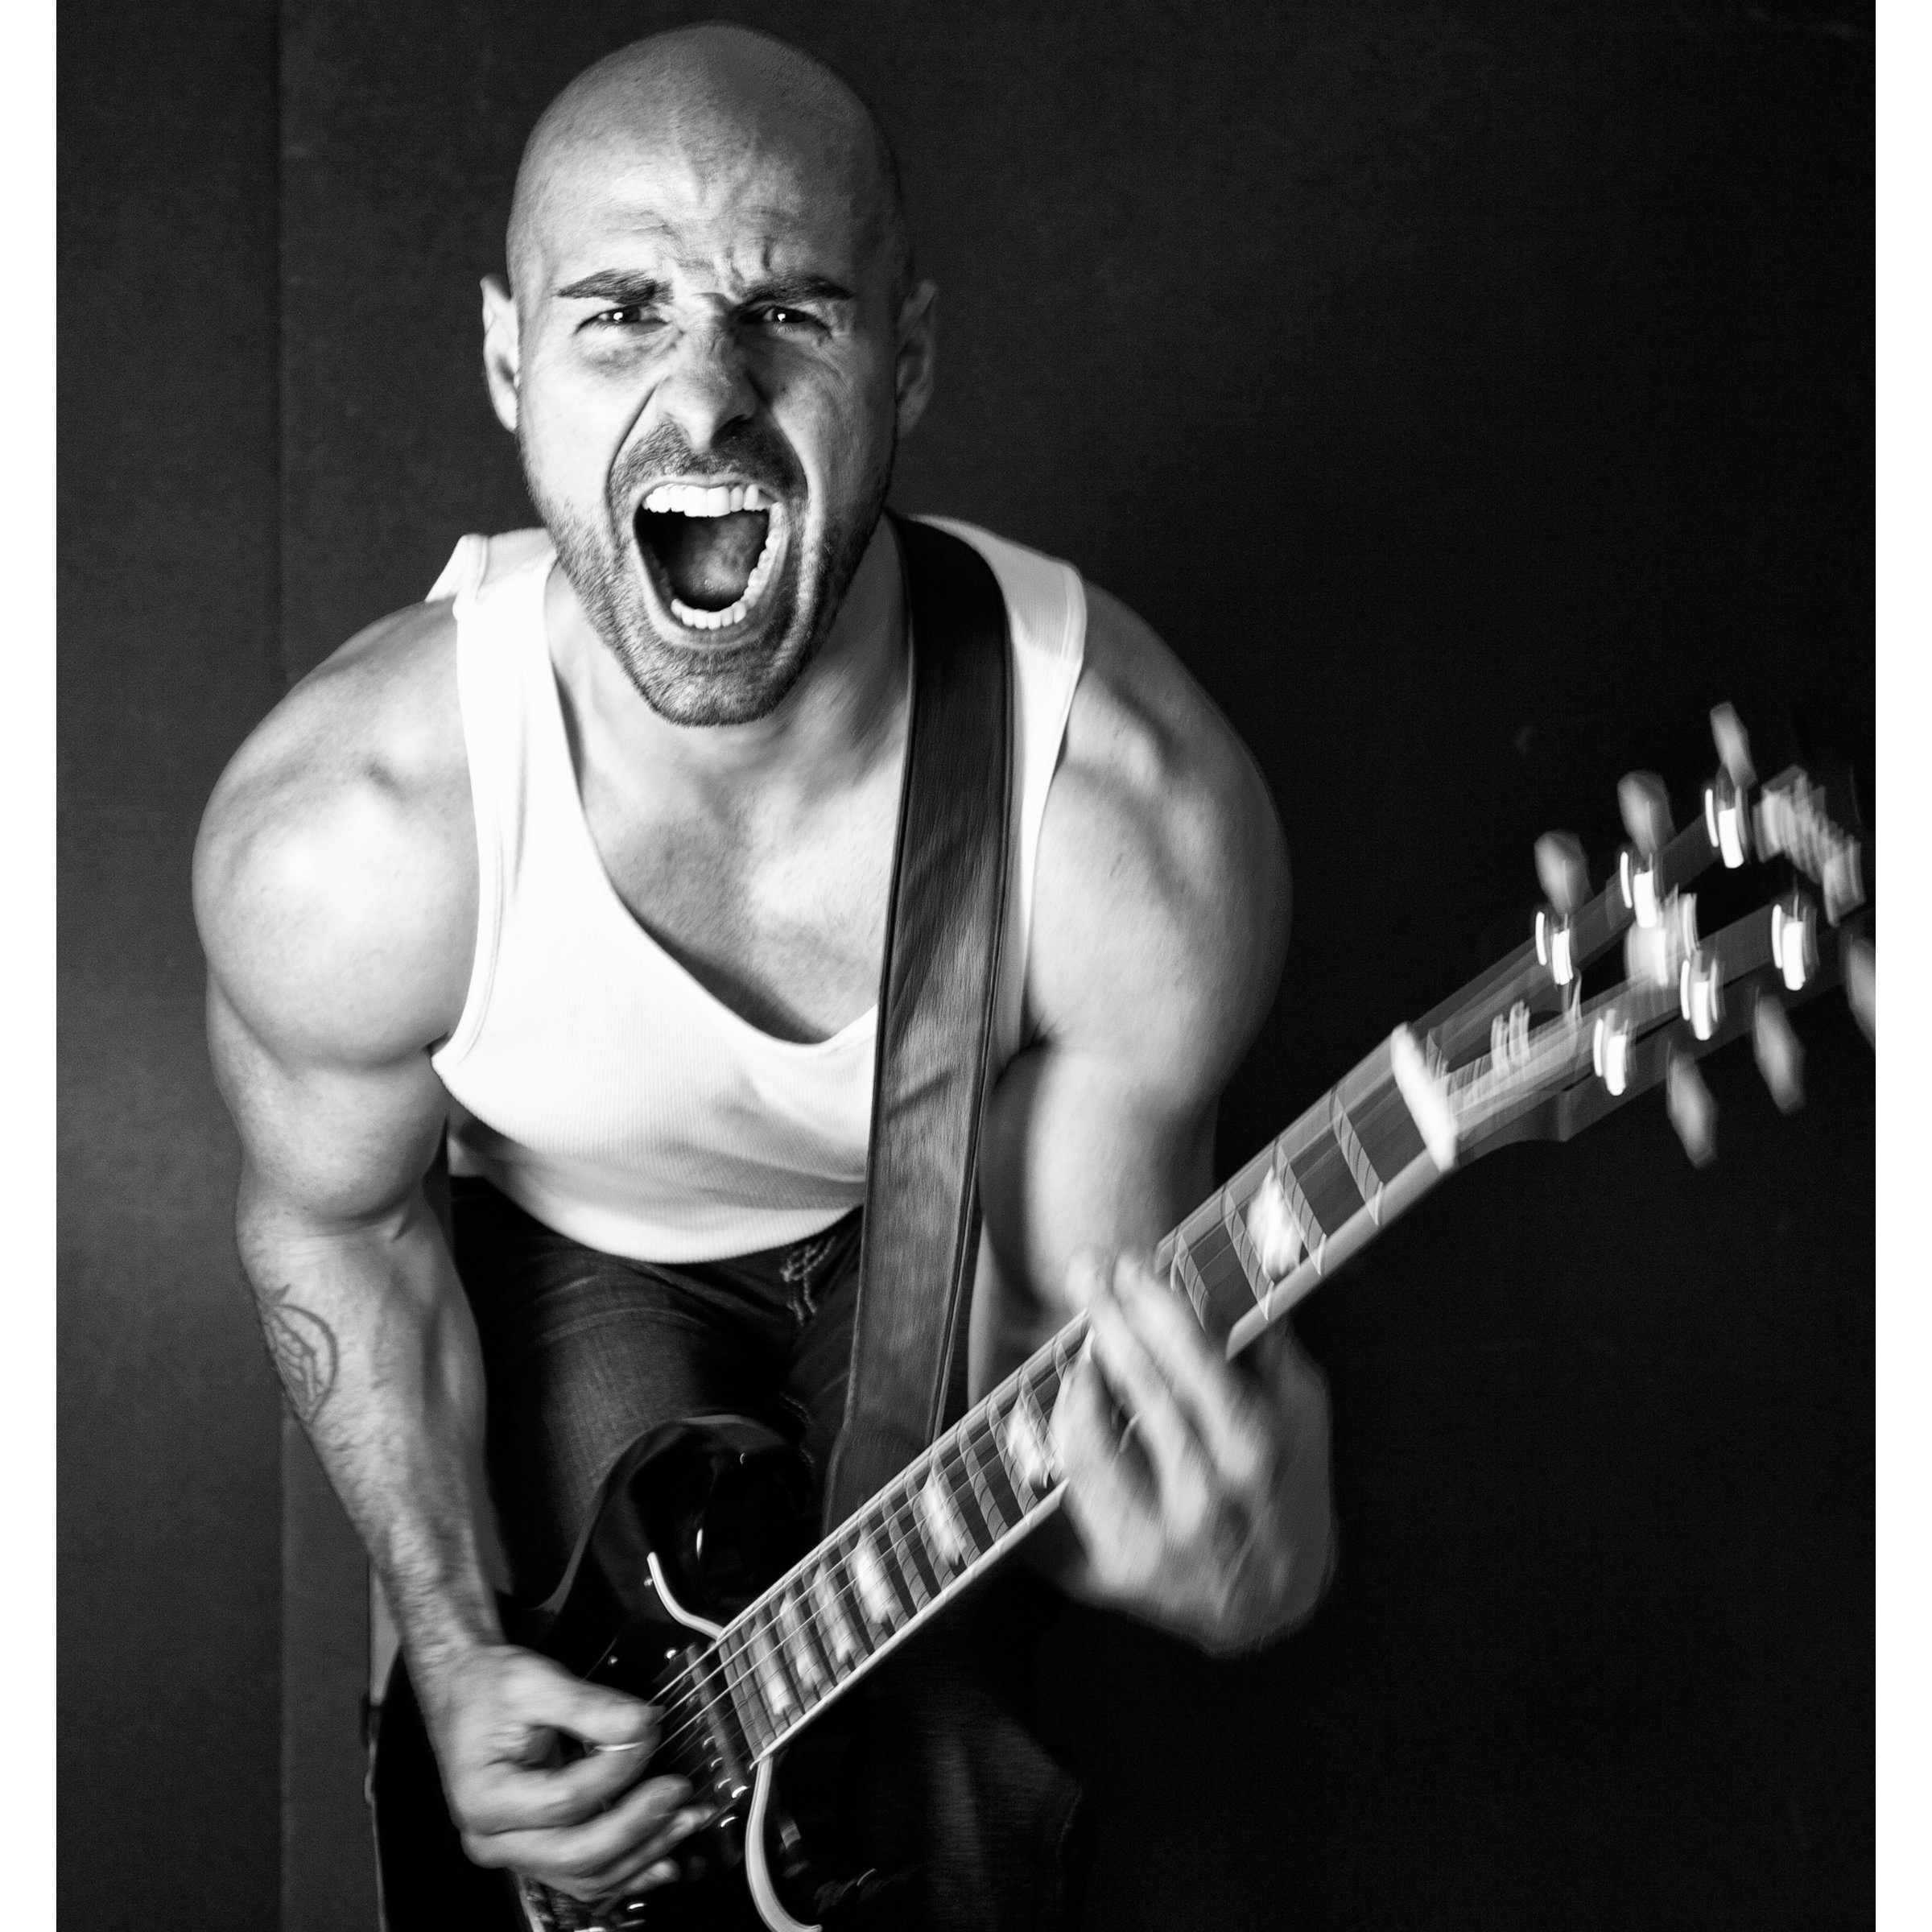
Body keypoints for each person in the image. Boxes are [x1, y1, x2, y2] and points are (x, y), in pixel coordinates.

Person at [195, 21, 1334, 1922]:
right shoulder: (356, 837)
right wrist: (451, 1638)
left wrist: (1196, 1536)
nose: (708, 407)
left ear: (909, 356)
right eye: (620, 315)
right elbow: (334, 1226)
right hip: (574, 1246)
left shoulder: (1124, 820)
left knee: (944, 1770)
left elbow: (1064, 1337)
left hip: (941, 1226)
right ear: (508, 360)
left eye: (790, 314)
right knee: (600, 1769)